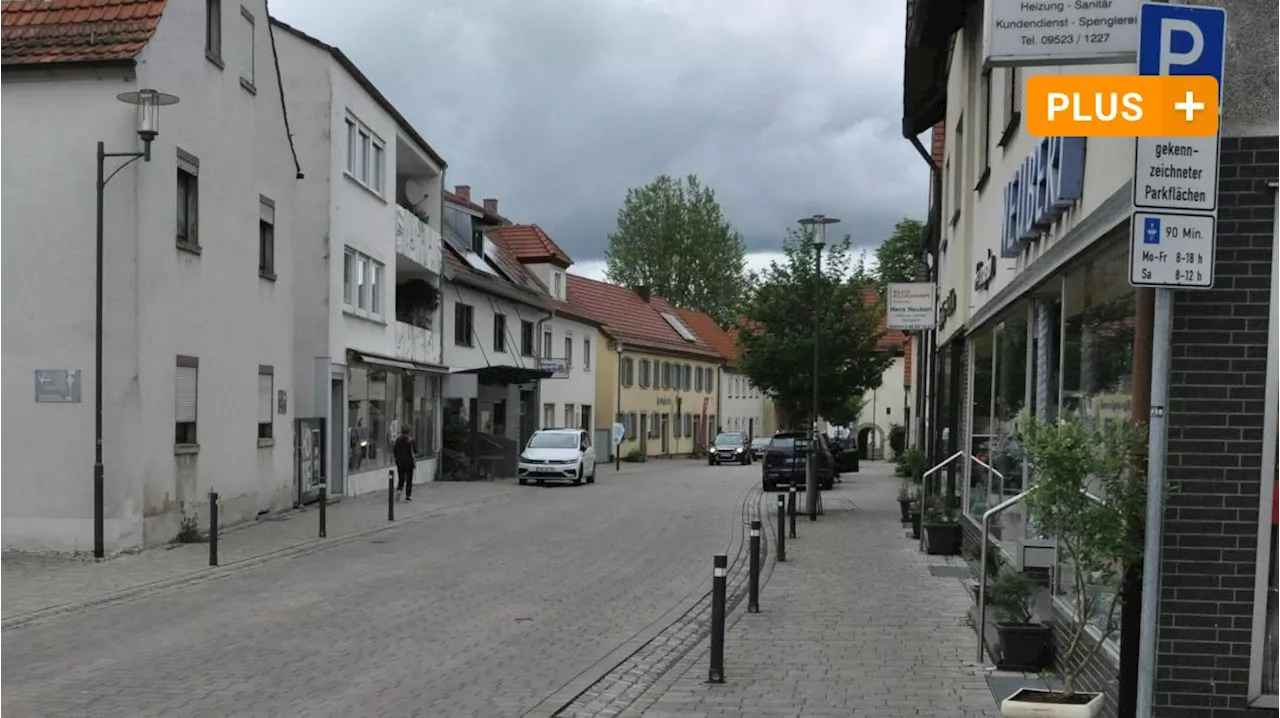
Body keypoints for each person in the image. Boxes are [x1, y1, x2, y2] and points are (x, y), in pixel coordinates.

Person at [393, 423, 417, 502]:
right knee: (409, 479)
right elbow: (415, 451)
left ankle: (399, 490)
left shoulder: (398, 440)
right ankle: (408, 496)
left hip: (400, 462)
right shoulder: (411, 440)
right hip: (409, 462)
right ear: (409, 431)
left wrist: (397, 458)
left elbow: (395, 451)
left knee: (401, 478)